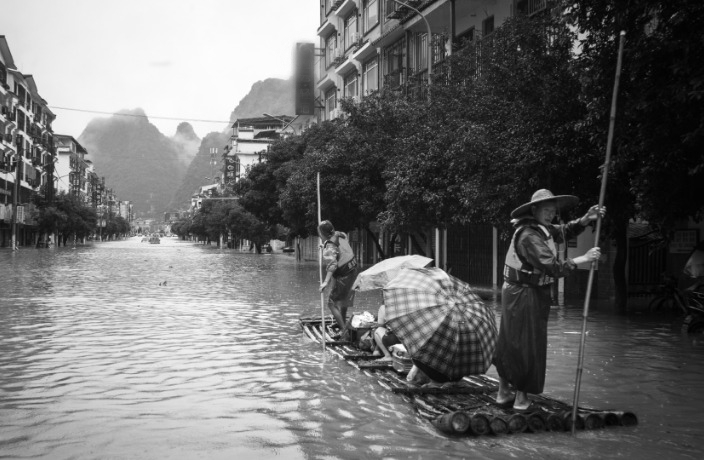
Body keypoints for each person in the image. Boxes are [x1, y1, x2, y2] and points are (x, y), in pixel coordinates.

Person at [493, 189, 605, 412]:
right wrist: (583, 258)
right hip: (524, 293)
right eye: (546, 210)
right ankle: (520, 398)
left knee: (511, 341)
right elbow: (552, 267)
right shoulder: (529, 236)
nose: (550, 215)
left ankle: (504, 391)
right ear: (534, 210)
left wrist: (585, 219)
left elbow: (562, 231)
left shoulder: (539, 229)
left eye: (553, 211)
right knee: (526, 344)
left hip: (521, 291)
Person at [318, 220, 359, 338]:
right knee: (344, 299)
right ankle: (342, 323)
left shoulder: (330, 246)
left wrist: (325, 282)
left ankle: (345, 332)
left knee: (331, 303)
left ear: (322, 234)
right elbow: (337, 246)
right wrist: (325, 245)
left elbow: (332, 265)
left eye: (319, 233)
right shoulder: (341, 234)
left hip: (344, 275)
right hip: (353, 271)